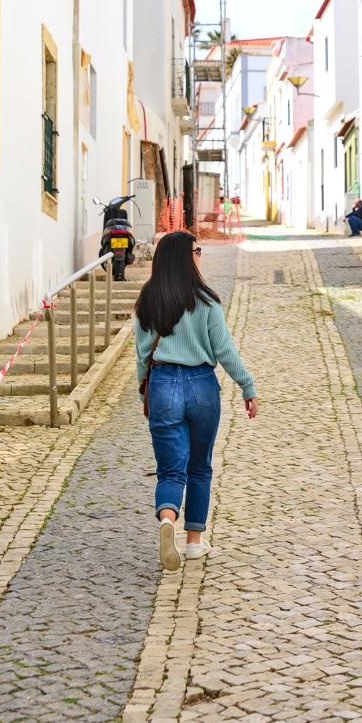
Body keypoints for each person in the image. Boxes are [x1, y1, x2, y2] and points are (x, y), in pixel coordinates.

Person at [134, 231, 258, 571]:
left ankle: (167, 519)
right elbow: (225, 351)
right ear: (183, 257)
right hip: (202, 385)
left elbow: (142, 354)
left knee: (170, 469)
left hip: (162, 384)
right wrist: (248, 387)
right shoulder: (207, 301)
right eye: (197, 250)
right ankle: (193, 542)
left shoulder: (147, 299)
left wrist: (143, 390)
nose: (201, 254)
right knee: (200, 466)